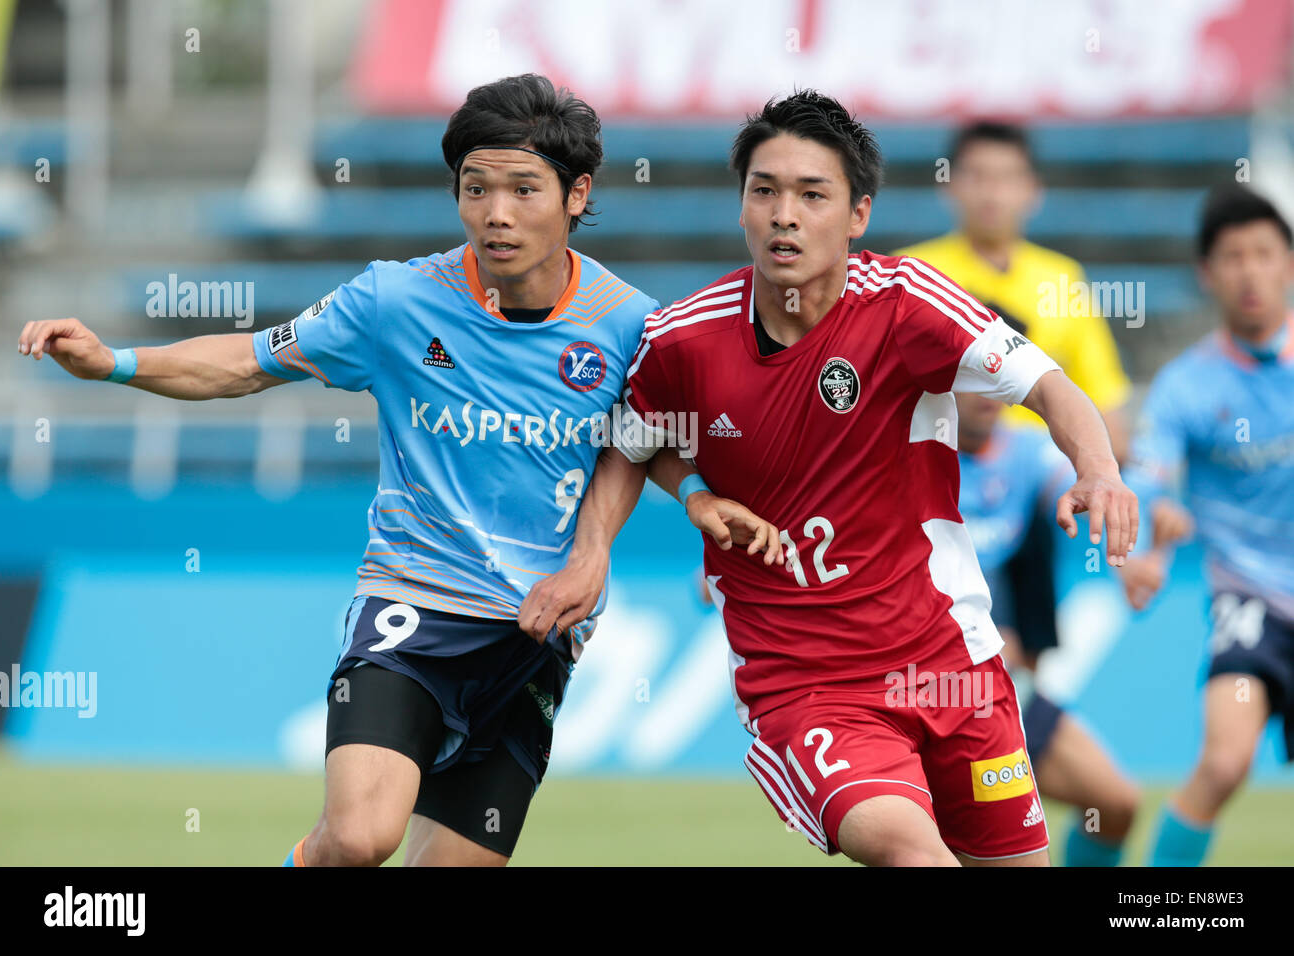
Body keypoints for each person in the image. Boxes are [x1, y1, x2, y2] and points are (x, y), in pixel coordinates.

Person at [16, 73, 777, 867]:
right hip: (412, 609)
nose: (497, 213)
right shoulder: (394, 301)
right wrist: (115, 362)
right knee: (356, 838)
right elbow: (244, 364)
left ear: (577, 194)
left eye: (524, 189)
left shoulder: (627, 324)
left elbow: (643, 435)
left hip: (537, 634)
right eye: (476, 188)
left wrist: (673, 504)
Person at [519, 90, 1138, 866]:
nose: (786, 214)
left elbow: (1047, 385)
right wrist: (606, 545)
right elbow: (631, 445)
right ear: (741, 207)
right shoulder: (683, 340)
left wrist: (1101, 470)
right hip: (808, 686)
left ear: (857, 216)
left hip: (953, 666)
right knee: (916, 855)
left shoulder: (910, 304)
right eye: (765, 191)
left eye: (813, 195)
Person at [1118, 184, 1294, 867]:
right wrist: (1143, 543)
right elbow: (1149, 477)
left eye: (1263, 254)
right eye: (1232, 258)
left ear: (1287, 264)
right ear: (1207, 273)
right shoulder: (1185, 387)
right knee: (1224, 762)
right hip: (1249, 596)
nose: (1249, 271)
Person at [957, 357, 1141, 867]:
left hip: (1000, 682)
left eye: (996, 383)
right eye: (970, 382)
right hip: (925, 685)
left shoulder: (1024, 455)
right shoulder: (902, 454)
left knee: (1113, 804)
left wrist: (1134, 550)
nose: (986, 396)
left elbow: (1098, 482)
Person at [896, 121, 1132, 462]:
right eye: (977, 176)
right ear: (948, 185)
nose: (992, 193)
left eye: (1007, 178)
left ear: (1033, 190)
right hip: (935, 464)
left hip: (1042, 480)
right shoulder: (912, 273)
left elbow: (1106, 409)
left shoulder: (1063, 280)